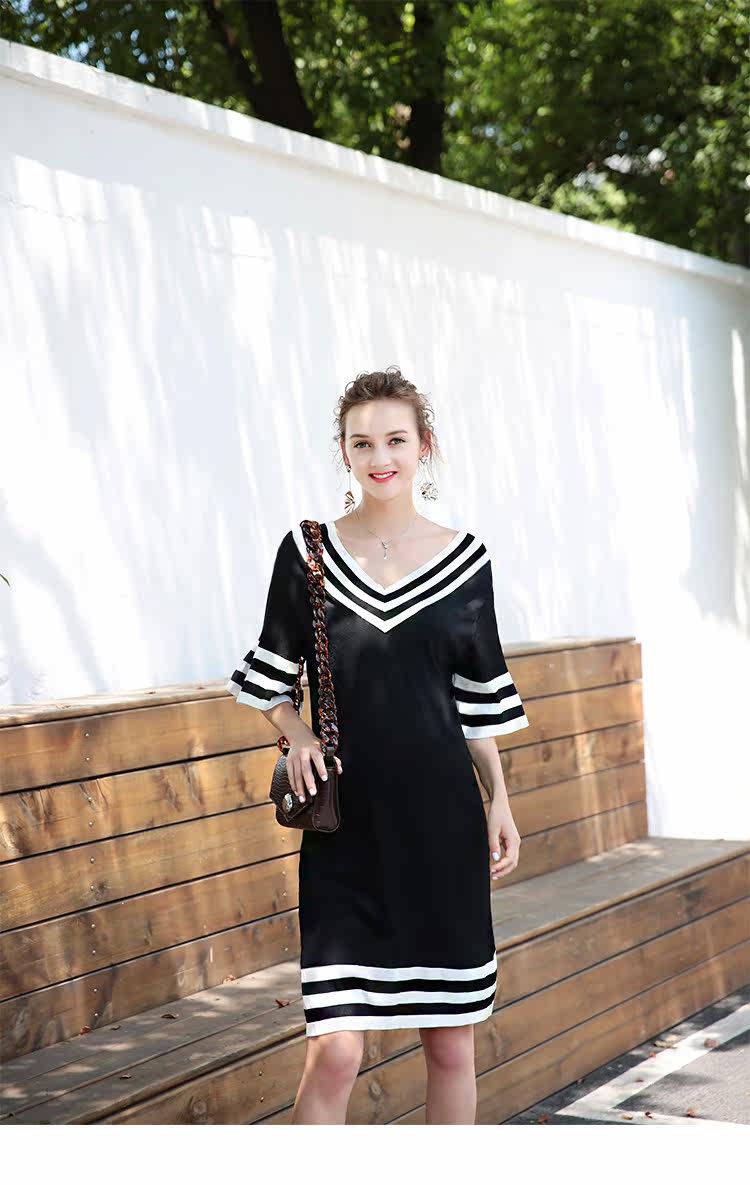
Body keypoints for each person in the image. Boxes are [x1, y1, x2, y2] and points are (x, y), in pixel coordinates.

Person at [227, 366, 530, 1124]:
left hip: (442, 829)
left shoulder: (467, 559)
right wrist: (296, 732)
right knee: (335, 1052)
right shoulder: (308, 554)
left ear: (424, 445)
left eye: (395, 439)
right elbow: (270, 681)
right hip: (347, 836)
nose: (379, 456)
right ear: (344, 452)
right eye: (362, 443)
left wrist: (499, 800)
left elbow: (475, 702)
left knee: (450, 1047)